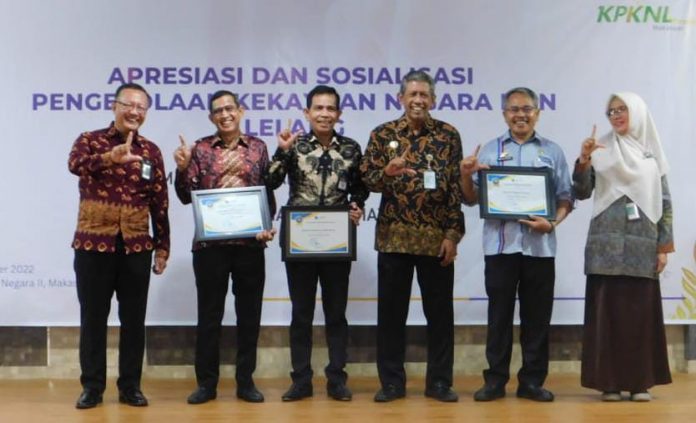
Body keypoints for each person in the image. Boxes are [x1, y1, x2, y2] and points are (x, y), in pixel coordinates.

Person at [460, 87, 572, 402]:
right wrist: (465, 175)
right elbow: (470, 199)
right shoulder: (489, 151)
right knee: (498, 318)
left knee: (537, 319)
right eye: (514, 109)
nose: (520, 114)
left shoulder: (552, 151)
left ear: (537, 112)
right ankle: (495, 381)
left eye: (527, 108)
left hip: (540, 248)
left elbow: (566, 197)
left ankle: (532, 382)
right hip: (500, 249)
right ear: (504, 113)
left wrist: (552, 223)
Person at [360, 70, 464, 403]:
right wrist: (386, 173)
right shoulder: (382, 134)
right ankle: (391, 383)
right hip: (394, 239)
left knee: (440, 315)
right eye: (412, 94)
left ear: (433, 100)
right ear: (400, 98)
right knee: (391, 316)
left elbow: (453, 190)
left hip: (436, 241)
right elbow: (368, 181)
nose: (418, 100)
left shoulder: (448, 135)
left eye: (424, 95)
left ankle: (439, 382)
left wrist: (453, 233)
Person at [68, 83, 170, 409]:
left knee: (134, 321)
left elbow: (160, 202)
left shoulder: (151, 151)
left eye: (141, 107)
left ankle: (130, 387)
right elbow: (75, 165)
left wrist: (163, 245)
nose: (135, 112)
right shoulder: (89, 141)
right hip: (93, 246)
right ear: (115, 106)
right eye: (129, 105)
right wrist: (111, 157)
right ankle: (92, 388)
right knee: (93, 319)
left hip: (137, 248)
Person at [266, 85, 369, 402]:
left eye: (330, 109)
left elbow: (361, 188)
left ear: (339, 114)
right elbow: (269, 181)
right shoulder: (294, 146)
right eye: (318, 108)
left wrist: (356, 204)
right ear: (307, 113)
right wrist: (282, 150)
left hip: (337, 240)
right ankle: (301, 380)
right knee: (301, 313)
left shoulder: (351, 148)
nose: (324, 114)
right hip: (300, 241)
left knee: (336, 314)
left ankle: (337, 378)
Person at [174, 90, 276, 404]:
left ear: (240, 111)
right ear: (211, 117)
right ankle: (207, 384)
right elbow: (183, 195)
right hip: (210, 247)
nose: (225, 115)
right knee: (209, 317)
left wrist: (266, 225)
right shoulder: (200, 149)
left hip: (249, 246)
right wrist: (181, 168)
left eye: (230, 108)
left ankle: (245, 382)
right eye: (218, 111)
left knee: (249, 316)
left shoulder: (258, 147)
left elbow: (266, 191)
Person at [573, 92, 672, 402]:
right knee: (607, 318)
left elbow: (665, 203)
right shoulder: (600, 149)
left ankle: (640, 382)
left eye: (621, 109)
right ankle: (610, 383)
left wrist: (663, 247)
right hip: (605, 247)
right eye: (611, 111)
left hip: (642, 247)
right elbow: (582, 191)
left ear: (638, 113)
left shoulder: (651, 156)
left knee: (639, 317)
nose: (615, 115)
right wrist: (584, 160)